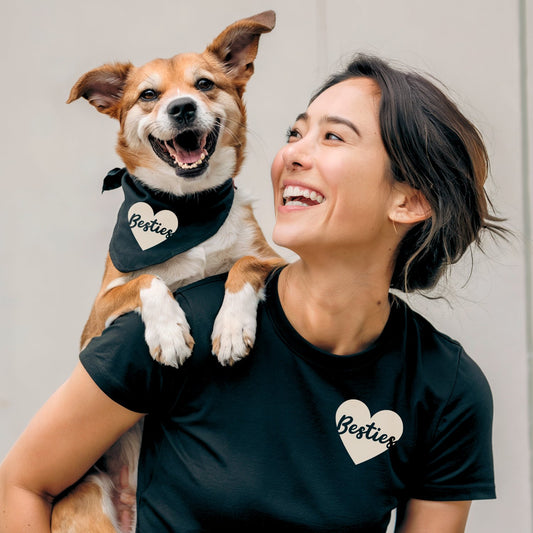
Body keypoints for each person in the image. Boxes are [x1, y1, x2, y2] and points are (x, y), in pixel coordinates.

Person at [0, 53, 503, 532]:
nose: (292, 154)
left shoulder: (446, 388)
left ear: (409, 201)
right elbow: (23, 483)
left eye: (333, 138)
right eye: (295, 132)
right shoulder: (174, 329)